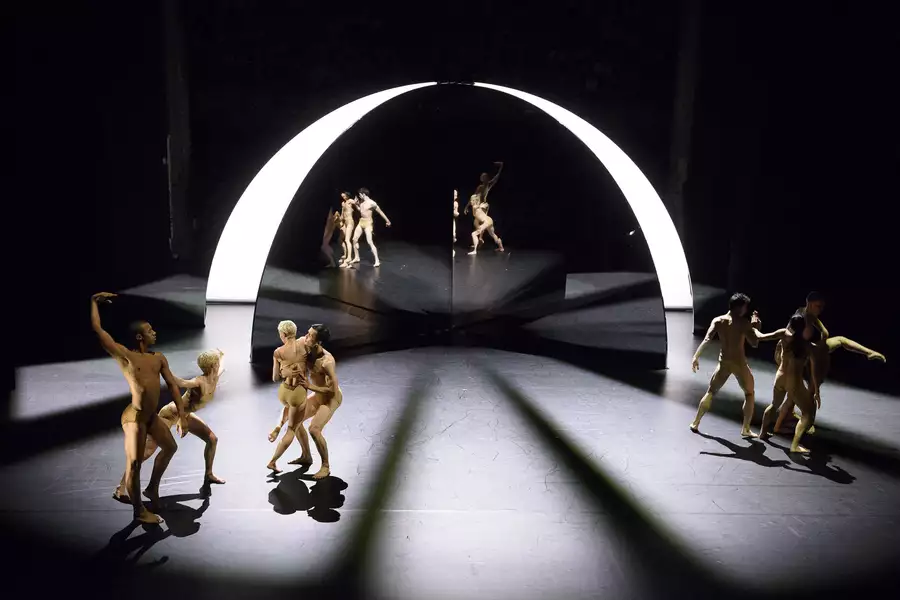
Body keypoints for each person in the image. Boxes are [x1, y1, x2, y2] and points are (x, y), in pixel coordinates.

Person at [91, 292, 190, 524]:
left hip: (150, 417)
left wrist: (182, 415)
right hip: (134, 417)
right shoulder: (126, 356)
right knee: (134, 463)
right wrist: (94, 303)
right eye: (150, 330)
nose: (154, 332)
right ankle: (139, 510)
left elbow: (173, 386)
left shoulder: (159, 358)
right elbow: (99, 330)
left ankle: (151, 489)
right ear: (139, 336)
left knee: (170, 447)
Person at [114, 349, 227, 496]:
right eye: (217, 362)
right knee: (148, 451)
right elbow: (180, 382)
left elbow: (223, 361)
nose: (219, 364)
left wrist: (221, 353)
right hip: (170, 414)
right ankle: (122, 487)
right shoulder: (199, 381)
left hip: (185, 414)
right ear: (213, 365)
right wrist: (161, 369)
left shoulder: (216, 376)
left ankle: (209, 474)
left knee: (212, 439)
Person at [772, 292, 886, 432]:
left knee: (840, 340)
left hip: (804, 351)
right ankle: (794, 422)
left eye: (822, 307)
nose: (821, 310)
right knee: (799, 390)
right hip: (792, 356)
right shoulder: (801, 319)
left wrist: (819, 344)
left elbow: (825, 332)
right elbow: (787, 341)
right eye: (818, 306)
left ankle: (868, 353)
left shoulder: (806, 313)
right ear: (809, 303)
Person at [689, 293, 785, 437]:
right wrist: (758, 326)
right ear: (740, 307)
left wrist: (696, 356)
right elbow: (755, 342)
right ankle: (745, 428)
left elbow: (707, 339)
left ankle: (696, 422)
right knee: (749, 393)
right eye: (745, 307)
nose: (746, 310)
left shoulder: (718, 320)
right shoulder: (743, 323)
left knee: (711, 392)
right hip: (739, 364)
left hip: (724, 363)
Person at [761, 314, 820, 453]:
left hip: (780, 377)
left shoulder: (783, 336)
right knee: (808, 413)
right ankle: (794, 446)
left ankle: (762, 433)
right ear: (804, 328)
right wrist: (816, 390)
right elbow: (813, 371)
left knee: (774, 404)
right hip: (794, 382)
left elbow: (761, 337)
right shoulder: (808, 346)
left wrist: (754, 325)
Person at [292, 325, 342, 480]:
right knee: (295, 420)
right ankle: (306, 456)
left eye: (311, 336)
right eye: (307, 333)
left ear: (318, 342)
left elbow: (332, 390)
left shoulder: (327, 362)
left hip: (330, 398)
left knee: (314, 429)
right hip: (317, 395)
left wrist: (309, 386)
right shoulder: (304, 344)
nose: (306, 337)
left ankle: (325, 466)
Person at [267, 320, 313, 472]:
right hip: (298, 392)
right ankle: (273, 461)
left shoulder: (278, 352)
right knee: (292, 428)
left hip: (284, 391)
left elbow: (275, 378)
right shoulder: (304, 345)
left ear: (283, 334)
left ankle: (306, 455)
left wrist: (282, 371)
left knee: (297, 423)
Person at [465, 162, 505, 254]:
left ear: (487, 178)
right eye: (482, 177)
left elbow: (497, 177)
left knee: (482, 220)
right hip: (479, 205)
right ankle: (481, 239)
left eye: (484, 177)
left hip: (483, 205)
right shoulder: (480, 187)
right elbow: (473, 196)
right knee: (477, 221)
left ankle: (479, 238)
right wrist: (467, 206)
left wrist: (501, 167)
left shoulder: (488, 185)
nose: (482, 178)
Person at [348, 188, 391, 267]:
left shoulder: (372, 203)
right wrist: (356, 204)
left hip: (368, 223)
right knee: (354, 239)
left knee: (369, 241)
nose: (359, 196)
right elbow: (360, 210)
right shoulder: (362, 202)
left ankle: (377, 260)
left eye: (360, 195)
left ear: (364, 194)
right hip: (361, 222)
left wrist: (387, 220)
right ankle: (357, 257)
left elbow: (380, 211)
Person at [338, 192, 356, 266]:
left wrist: (356, 202)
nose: (344, 197)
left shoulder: (350, 201)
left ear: (347, 195)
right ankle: (345, 254)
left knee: (347, 240)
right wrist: (339, 220)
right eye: (342, 196)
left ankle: (349, 258)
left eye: (345, 196)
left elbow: (356, 204)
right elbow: (342, 214)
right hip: (345, 222)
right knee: (340, 239)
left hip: (350, 222)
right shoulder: (343, 203)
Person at [452, 189, 459, 257]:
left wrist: (456, 213)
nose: (455, 197)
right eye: (454, 195)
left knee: (453, 235)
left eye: (456, 195)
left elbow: (456, 213)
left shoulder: (456, 203)